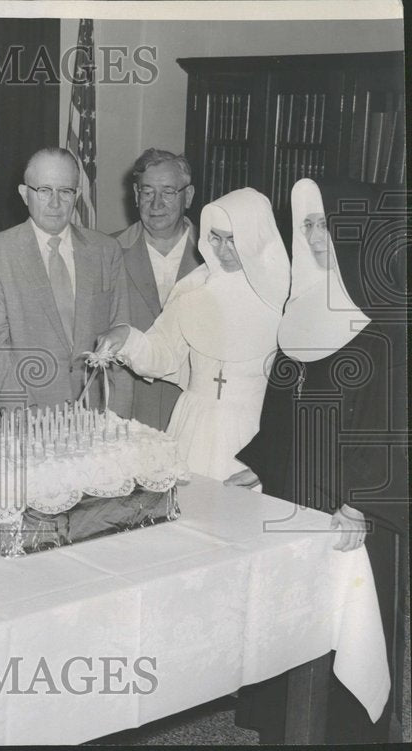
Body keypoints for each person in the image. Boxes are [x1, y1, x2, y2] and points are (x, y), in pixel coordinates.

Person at [230, 178, 408, 743]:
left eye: (324, 222)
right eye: (306, 223)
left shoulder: (386, 319)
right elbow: (282, 408)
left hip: (353, 509)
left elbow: (390, 423)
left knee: (348, 623)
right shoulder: (301, 308)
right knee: (289, 617)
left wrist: (358, 503)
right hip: (294, 495)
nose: (313, 235)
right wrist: (260, 463)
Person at [95, 187, 290, 481]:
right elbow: (163, 354)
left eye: (233, 240)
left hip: (254, 433)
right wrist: (127, 338)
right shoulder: (193, 288)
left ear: (257, 238)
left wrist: (264, 462)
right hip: (193, 427)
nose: (222, 251)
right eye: (216, 237)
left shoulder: (284, 299)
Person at [0, 147, 131, 414]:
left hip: (94, 418)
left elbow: (120, 336)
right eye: (44, 190)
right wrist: (22, 416)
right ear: (23, 193)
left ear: (78, 195)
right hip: (27, 416)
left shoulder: (106, 251)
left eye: (65, 191)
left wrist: (116, 417)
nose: (55, 203)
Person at [112, 149, 202, 430]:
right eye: (147, 192)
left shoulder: (215, 256)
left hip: (192, 409)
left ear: (188, 196)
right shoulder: (107, 252)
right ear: (136, 195)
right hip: (126, 410)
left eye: (168, 192)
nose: (156, 203)